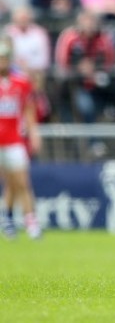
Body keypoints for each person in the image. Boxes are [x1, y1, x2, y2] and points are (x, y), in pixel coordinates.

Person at [0, 37, 42, 240]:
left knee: (21, 182)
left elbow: (28, 110)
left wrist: (33, 133)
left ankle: (26, 221)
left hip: (14, 140)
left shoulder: (21, 83)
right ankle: (9, 219)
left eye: (5, 58)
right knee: (10, 182)